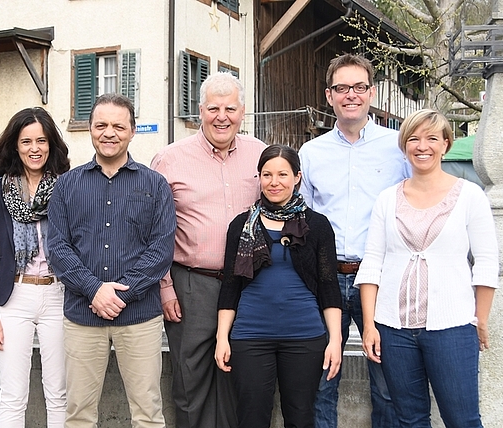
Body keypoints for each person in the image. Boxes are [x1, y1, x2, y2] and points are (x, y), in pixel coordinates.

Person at [357, 108, 498, 427]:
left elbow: (487, 261)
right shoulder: (387, 199)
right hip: (393, 329)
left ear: (446, 144)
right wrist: (369, 325)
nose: (423, 146)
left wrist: (481, 318)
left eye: (432, 138)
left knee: (462, 419)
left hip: (452, 327)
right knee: (409, 419)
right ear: (404, 146)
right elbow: (372, 263)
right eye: (414, 139)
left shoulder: (469, 196)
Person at [47, 93, 176, 428]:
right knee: (78, 413)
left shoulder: (155, 185)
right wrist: (94, 290)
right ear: (89, 129)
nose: (109, 132)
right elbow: (58, 248)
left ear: (132, 131)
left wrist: (119, 294)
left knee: (148, 412)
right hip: (82, 317)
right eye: (101, 125)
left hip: (139, 318)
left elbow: (160, 251)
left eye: (119, 126)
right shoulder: (66, 186)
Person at [299, 53, 410, 428]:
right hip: (325, 279)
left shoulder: (398, 147)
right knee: (321, 380)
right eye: (342, 87)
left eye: (359, 87)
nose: (351, 95)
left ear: (371, 93)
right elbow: (306, 222)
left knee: (387, 381)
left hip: (379, 279)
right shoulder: (312, 153)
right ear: (329, 95)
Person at [151, 71, 266, 428]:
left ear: (242, 111)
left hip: (249, 285)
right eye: (213, 108)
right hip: (191, 285)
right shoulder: (170, 159)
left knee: (241, 378)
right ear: (199, 111)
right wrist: (165, 288)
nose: (222, 116)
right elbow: (156, 231)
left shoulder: (260, 154)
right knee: (191, 379)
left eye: (230, 108)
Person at [215, 145, 343, 428]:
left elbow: (328, 286)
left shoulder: (317, 226)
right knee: (251, 417)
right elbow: (230, 286)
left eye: (283, 174)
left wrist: (335, 340)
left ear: (297, 177)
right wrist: (222, 337)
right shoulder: (241, 225)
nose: (275, 182)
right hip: (250, 337)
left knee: (300, 417)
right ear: (259, 178)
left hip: (304, 337)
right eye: (267, 174)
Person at [0, 107, 70, 427]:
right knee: (12, 394)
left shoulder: (67, 187)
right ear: (15, 146)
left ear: (51, 144)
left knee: (59, 392)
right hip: (13, 297)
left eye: (41, 140)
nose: (35, 148)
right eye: (27, 141)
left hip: (58, 295)